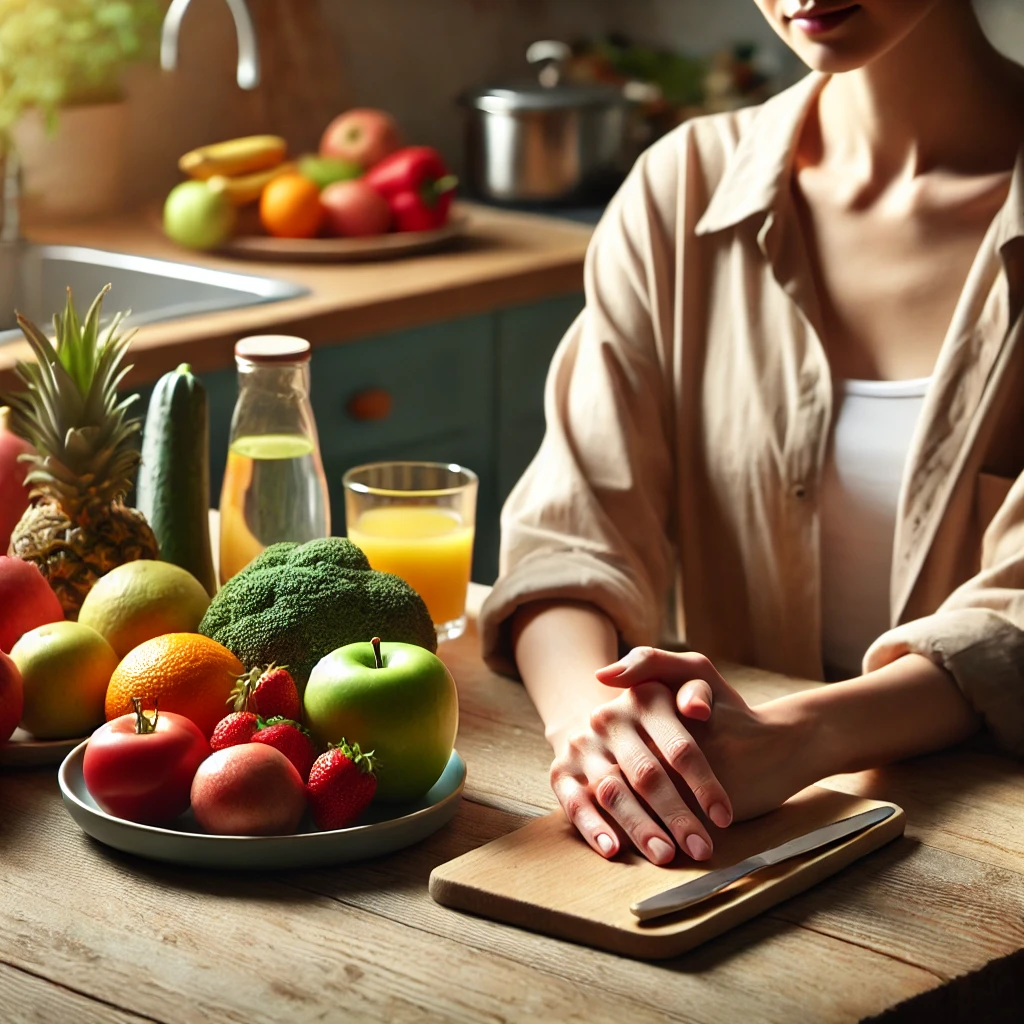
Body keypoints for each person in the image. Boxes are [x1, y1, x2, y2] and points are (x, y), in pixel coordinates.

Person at [479, 0, 1024, 867]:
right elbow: (568, 535)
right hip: (730, 826)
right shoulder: (682, 184)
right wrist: (603, 734)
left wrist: (802, 737)